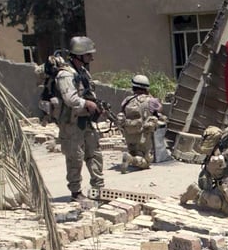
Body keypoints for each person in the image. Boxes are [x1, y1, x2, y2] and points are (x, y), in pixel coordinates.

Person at [55, 36, 105, 203]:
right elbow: (70, 99)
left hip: (86, 121)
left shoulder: (83, 72)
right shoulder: (65, 75)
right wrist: (87, 103)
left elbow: (89, 91)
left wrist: (96, 105)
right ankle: (76, 193)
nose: (92, 58)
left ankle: (98, 189)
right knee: (75, 157)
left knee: (95, 154)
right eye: (88, 54)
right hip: (71, 124)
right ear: (79, 55)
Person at [117, 74, 165, 171]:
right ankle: (131, 159)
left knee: (134, 151)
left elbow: (122, 112)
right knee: (147, 163)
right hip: (143, 137)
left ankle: (131, 156)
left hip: (129, 135)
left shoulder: (126, 100)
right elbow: (160, 109)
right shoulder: (151, 101)